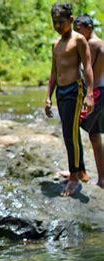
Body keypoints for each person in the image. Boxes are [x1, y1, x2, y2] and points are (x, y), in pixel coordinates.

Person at [45, 3, 94, 196]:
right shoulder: (55, 45)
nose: (58, 26)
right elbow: (53, 72)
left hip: (75, 89)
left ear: (71, 20)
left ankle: (74, 177)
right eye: (54, 22)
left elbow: (88, 67)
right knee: (70, 132)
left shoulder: (79, 40)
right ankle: (79, 171)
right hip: (61, 92)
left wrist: (90, 94)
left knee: (69, 134)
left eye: (61, 22)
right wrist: (48, 96)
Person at [74, 13, 104, 188]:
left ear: (89, 27)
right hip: (101, 91)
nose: (77, 34)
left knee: (73, 125)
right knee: (94, 134)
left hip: (96, 93)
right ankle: (101, 178)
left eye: (80, 30)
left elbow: (88, 71)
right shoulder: (101, 42)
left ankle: (79, 171)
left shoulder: (92, 44)